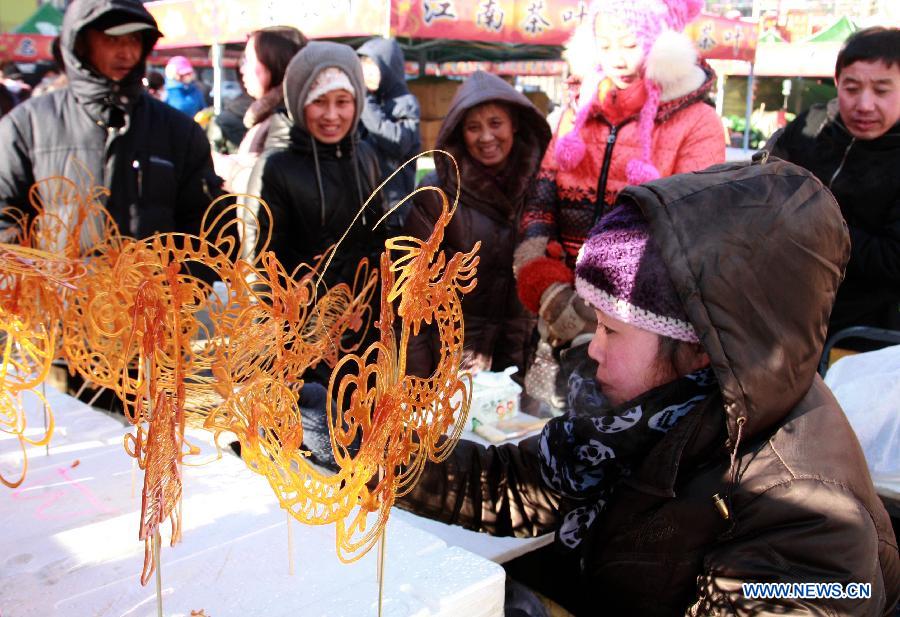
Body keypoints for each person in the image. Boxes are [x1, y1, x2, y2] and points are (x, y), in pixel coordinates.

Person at [398, 157, 900, 617]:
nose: (593, 346)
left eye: (613, 331)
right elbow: (519, 486)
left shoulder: (809, 521)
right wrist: (372, 445)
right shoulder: (644, 416)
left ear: (702, 347)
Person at [513, 0, 725, 412]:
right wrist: (544, 283)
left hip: (641, 327)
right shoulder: (574, 115)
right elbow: (540, 201)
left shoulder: (698, 122)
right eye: (605, 46)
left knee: (617, 439)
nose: (618, 60)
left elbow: (690, 231)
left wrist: (598, 308)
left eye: (631, 45)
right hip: (558, 313)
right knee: (548, 433)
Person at [0, 0, 224, 243]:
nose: (127, 53)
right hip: (58, 279)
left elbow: (203, 227)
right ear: (81, 44)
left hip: (154, 280)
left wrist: (179, 279)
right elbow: (6, 220)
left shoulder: (179, 130)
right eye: (113, 40)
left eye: (135, 40)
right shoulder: (26, 125)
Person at [403, 71, 550, 379]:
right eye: (473, 127)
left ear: (514, 125)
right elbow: (410, 297)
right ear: (459, 132)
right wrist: (417, 380)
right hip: (450, 366)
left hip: (517, 362)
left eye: (495, 124)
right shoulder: (437, 194)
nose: (486, 137)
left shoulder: (542, 188)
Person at [767, 27, 900, 338]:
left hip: (855, 331)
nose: (864, 105)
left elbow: (892, 261)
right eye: (852, 88)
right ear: (837, 82)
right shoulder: (813, 123)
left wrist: (816, 222)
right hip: (773, 305)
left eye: (882, 91)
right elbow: (763, 183)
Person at [246, 40, 384, 289]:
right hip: (300, 323)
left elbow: (377, 241)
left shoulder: (365, 155)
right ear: (300, 101)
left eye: (342, 102)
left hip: (361, 320)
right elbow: (259, 273)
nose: (331, 115)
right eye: (319, 101)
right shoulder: (274, 168)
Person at [212, 25, 307, 258]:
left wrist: (231, 170)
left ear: (276, 63)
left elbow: (281, 189)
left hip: (277, 263)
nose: (242, 69)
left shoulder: (286, 119)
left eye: (249, 60)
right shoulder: (265, 116)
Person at [356, 37, 421, 233]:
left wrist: (365, 103)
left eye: (371, 67)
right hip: (363, 205)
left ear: (388, 68)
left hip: (394, 208)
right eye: (363, 67)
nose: (366, 75)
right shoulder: (363, 102)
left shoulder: (405, 103)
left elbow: (397, 141)